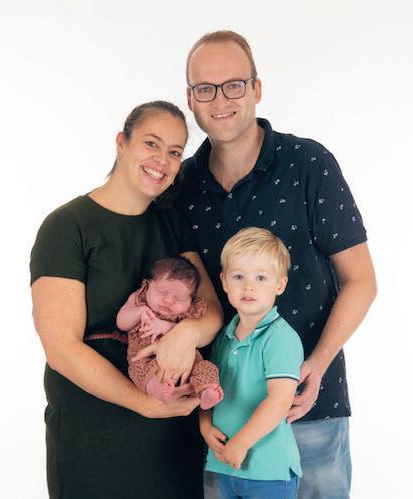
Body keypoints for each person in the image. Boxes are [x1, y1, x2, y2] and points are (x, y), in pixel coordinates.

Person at [178, 31, 377, 499]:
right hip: (221, 419)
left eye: (233, 85)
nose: (220, 100)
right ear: (190, 99)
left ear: (257, 89)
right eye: (205, 88)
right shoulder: (182, 184)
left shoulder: (309, 164)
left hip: (308, 409)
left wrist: (317, 364)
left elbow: (362, 280)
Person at [30, 100, 223, 499]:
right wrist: (143, 403)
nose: (162, 160)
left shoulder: (172, 223)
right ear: (122, 143)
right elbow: (61, 349)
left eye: (175, 152)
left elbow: (211, 311)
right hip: (93, 432)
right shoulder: (67, 227)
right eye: (151, 143)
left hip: (170, 433)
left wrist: (184, 335)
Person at [200, 227, 303, 499]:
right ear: (224, 282)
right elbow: (205, 387)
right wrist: (205, 426)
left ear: (280, 284)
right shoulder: (223, 337)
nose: (248, 286)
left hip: (268, 471)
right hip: (222, 464)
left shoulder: (280, 337)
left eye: (261, 277)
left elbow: (280, 401)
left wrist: (241, 443)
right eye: (238, 276)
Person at [94, 255, 223, 409]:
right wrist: (138, 312)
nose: (169, 301)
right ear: (148, 285)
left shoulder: (188, 312)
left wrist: (165, 326)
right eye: (162, 292)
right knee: (137, 370)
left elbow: (189, 334)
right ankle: (159, 391)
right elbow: (121, 323)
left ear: (191, 301)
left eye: (180, 299)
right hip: (144, 358)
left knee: (205, 367)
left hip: (185, 361)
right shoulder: (139, 300)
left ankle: (206, 392)